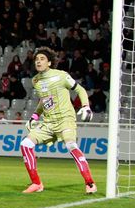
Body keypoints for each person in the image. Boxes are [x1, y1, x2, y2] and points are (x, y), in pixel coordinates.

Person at [20, 47, 96, 194]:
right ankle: (36, 183)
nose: (38, 61)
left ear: (49, 62)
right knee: (25, 144)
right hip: (48, 122)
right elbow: (44, 100)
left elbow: (80, 89)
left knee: (71, 146)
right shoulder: (35, 80)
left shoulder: (61, 75)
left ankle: (89, 182)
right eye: (36, 59)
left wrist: (86, 106)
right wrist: (34, 116)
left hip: (65, 119)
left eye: (42, 59)